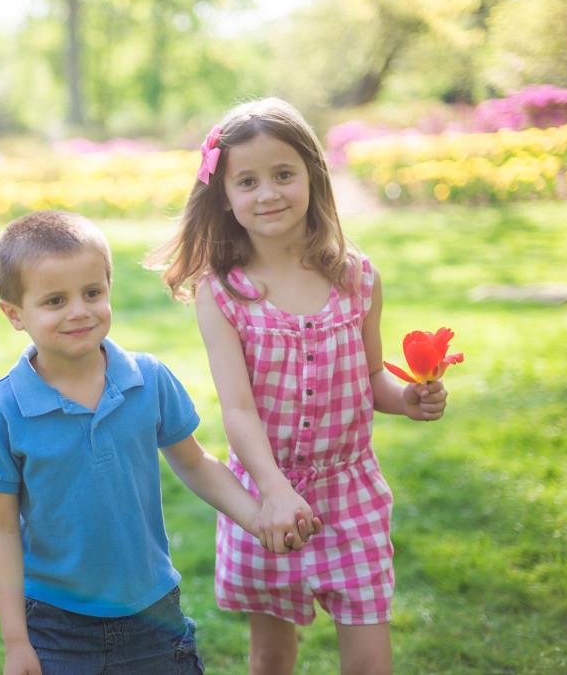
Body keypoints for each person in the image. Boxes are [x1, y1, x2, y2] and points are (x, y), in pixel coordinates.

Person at [144, 97, 450, 675]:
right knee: (272, 656)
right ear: (225, 195)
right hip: (265, 495)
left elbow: (372, 376)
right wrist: (274, 489)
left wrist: (407, 399)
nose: (268, 194)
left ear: (312, 174)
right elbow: (236, 408)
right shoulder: (224, 293)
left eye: (284, 174)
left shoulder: (356, 277)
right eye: (248, 181)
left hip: (351, 493)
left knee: (369, 661)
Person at [0, 210, 322, 675]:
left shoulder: (147, 379)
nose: (79, 311)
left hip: (154, 613)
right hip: (56, 624)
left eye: (92, 293)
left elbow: (194, 463)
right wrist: (16, 641)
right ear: (14, 314)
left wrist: (257, 517)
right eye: (55, 301)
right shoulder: (2, 409)